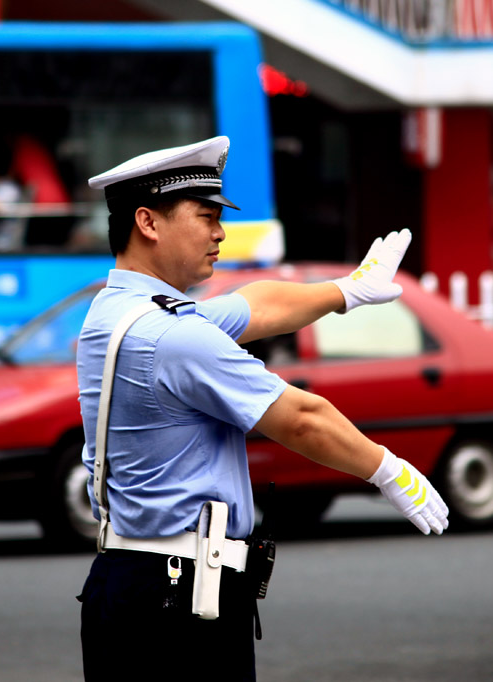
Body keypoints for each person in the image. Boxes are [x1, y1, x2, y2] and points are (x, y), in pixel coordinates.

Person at [75, 136, 449, 681]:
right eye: (205, 216)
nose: (219, 232)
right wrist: (389, 471)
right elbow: (302, 417)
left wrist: (347, 290)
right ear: (148, 223)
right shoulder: (171, 337)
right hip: (177, 599)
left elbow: (257, 305)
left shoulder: (120, 312)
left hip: (129, 584)